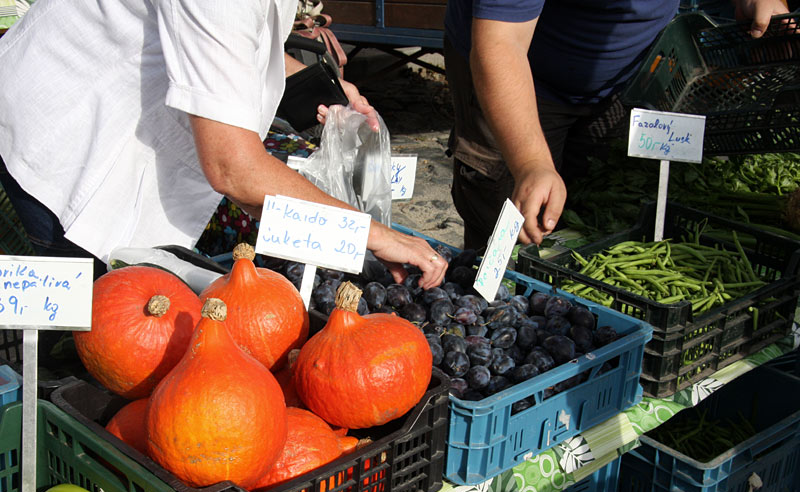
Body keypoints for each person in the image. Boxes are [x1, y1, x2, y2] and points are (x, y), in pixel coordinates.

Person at [0, 0, 447, 291]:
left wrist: (319, 88)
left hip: (106, 109)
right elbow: (233, 167)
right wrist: (375, 234)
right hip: (70, 141)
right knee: (103, 312)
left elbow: (232, 43)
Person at [443, 0, 792, 250]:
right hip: (517, 73)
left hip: (626, 76)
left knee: (594, 206)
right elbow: (500, 44)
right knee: (512, 215)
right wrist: (532, 163)